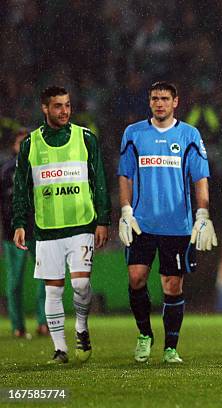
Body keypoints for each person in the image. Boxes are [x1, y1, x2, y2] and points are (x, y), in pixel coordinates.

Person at [118, 81, 216, 364]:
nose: (159, 103)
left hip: (177, 226)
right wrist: (125, 210)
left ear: (176, 102)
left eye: (164, 98)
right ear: (149, 102)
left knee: (172, 286)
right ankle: (144, 335)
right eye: (154, 99)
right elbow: (124, 175)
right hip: (141, 224)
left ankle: (171, 347)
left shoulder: (189, 135)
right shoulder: (134, 133)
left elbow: (200, 178)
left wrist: (203, 214)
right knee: (136, 278)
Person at [12, 86, 111, 364]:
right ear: (45, 108)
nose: (64, 111)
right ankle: (60, 349)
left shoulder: (86, 138)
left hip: (81, 226)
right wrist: (19, 223)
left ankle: (81, 328)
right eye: (58, 106)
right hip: (47, 230)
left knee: (81, 285)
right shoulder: (30, 144)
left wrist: (103, 220)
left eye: (67, 105)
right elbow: (21, 189)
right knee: (53, 290)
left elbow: (99, 182)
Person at [1, 128, 48, 338]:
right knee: (15, 282)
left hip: (38, 232)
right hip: (12, 234)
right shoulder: (6, 171)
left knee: (46, 278)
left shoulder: (40, 169)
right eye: (21, 143)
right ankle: (18, 327)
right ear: (14, 146)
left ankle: (43, 323)